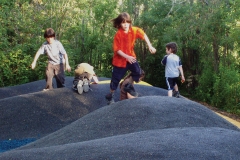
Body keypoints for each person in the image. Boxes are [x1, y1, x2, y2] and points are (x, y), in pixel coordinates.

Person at [105, 12, 156, 105]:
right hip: (120, 62)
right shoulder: (118, 35)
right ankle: (110, 96)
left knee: (138, 72)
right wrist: (127, 57)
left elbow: (144, 35)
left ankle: (128, 85)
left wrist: (150, 46)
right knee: (115, 80)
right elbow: (117, 50)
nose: (125, 25)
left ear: (130, 22)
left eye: (127, 22)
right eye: (123, 23)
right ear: (120, 23)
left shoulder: (134, 30)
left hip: (131, 58)